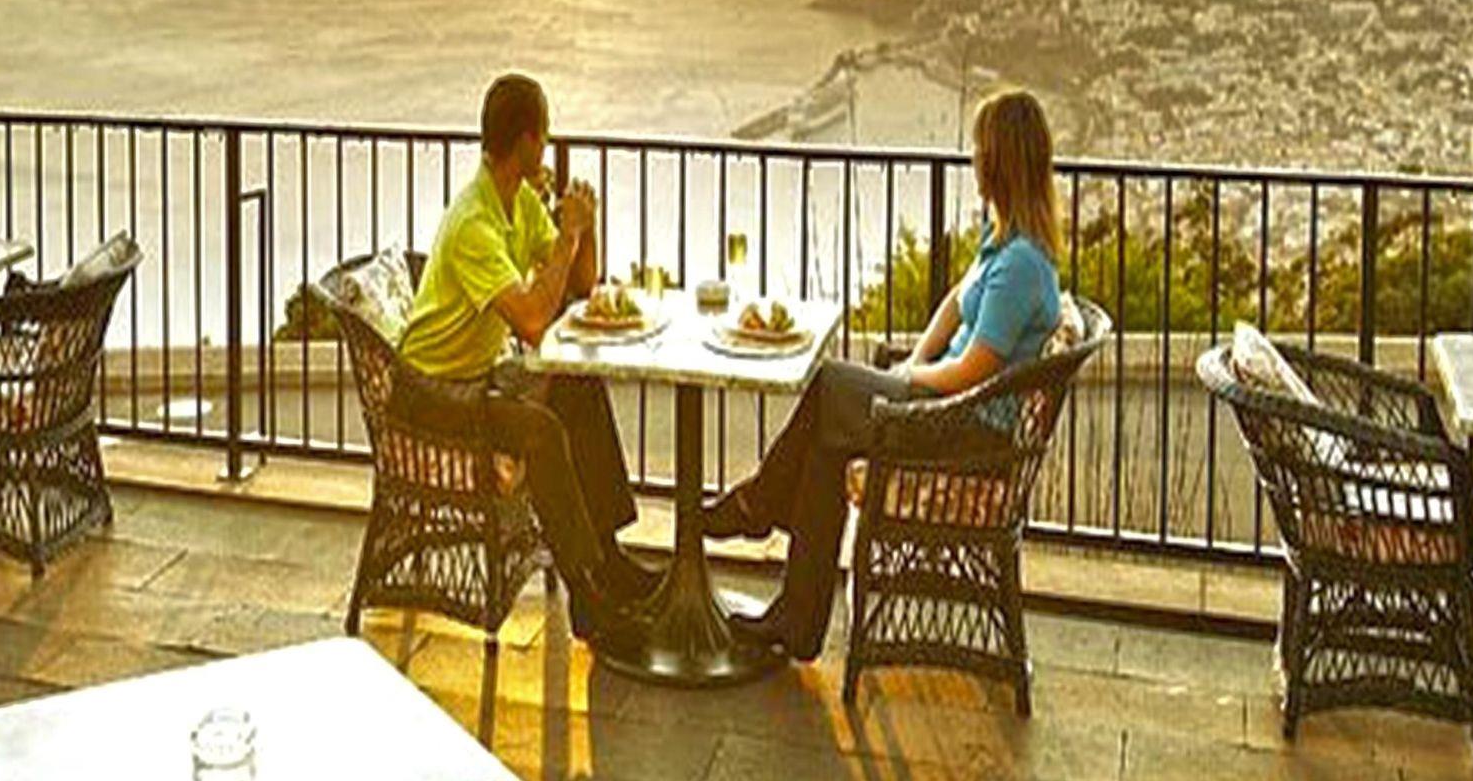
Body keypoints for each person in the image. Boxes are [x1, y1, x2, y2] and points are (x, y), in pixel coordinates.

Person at [704, 88, 1072, 659]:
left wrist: (911, 382)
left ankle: (757, 506)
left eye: (980, 149)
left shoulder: (1022, 264)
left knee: (829, 382)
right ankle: (794, 621)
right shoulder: (1003, 242)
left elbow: (972, 371)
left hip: (969, 434)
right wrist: (914, 362)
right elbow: (954, 305)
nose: (973, 159)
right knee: (827, 445)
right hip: (952, 409)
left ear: (1000, 162)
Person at [399, 72, 655, 637]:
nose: (547, 145)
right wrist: (567, 238)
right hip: (431, 391)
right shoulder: (475, 222)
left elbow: (581, 285)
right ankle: (588, 597)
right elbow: (536, 321)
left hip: (478, 375)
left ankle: (609, 556)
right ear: (526, 140)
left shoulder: (518, 202)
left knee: (577, 383)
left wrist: (584, 227)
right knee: (540, 431)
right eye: (544, 135)